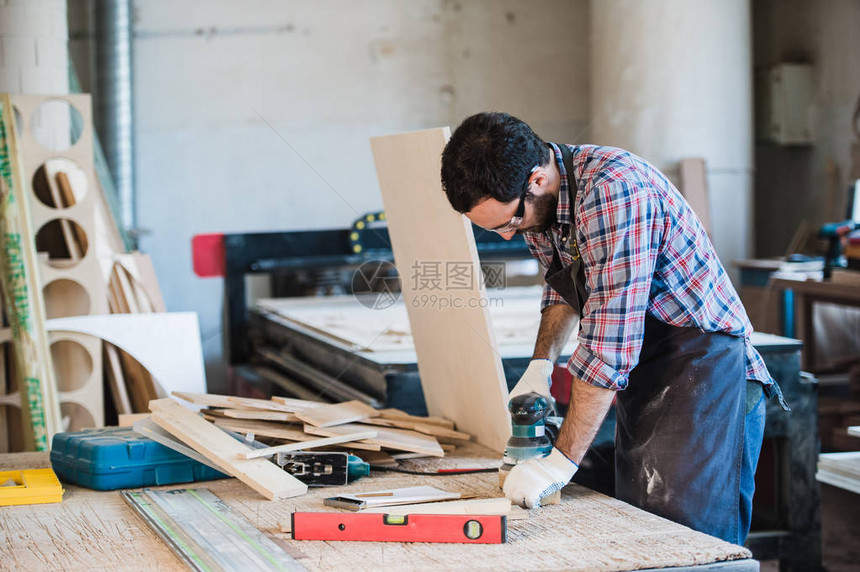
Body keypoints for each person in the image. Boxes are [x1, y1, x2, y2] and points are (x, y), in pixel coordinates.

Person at [440, 111, 789, 545]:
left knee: (689, 541)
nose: (510, 236)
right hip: (651, 366)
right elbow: (563, 287)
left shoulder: (613, 192)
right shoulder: (540, 207)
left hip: (704, 369)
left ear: (535, 180)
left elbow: (609, 344)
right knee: (642, 525)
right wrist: (540, 366)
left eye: (510, 222)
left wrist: (559, 463)